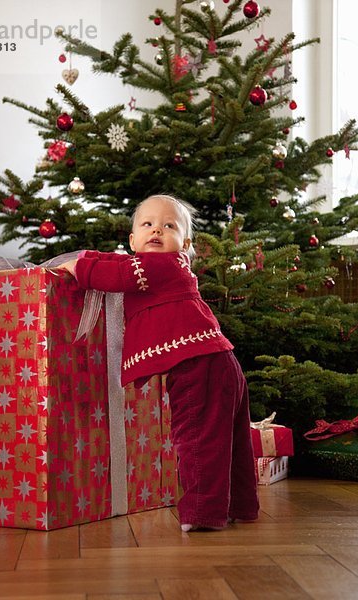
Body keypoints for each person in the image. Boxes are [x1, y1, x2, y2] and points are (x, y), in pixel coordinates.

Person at [59, 194, 259, 531]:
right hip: (219, 363)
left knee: (197, 440)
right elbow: (119, 264)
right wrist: (89, 256)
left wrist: (79, 267)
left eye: (169, 226)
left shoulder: (164, 265)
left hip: (198, 365)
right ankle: (241, 504)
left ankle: (202, 514)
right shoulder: (151, 267)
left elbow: (119, 274)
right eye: (147, 224)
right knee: (231, 442)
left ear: (185, 244)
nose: (157, 231)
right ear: (132, 240)